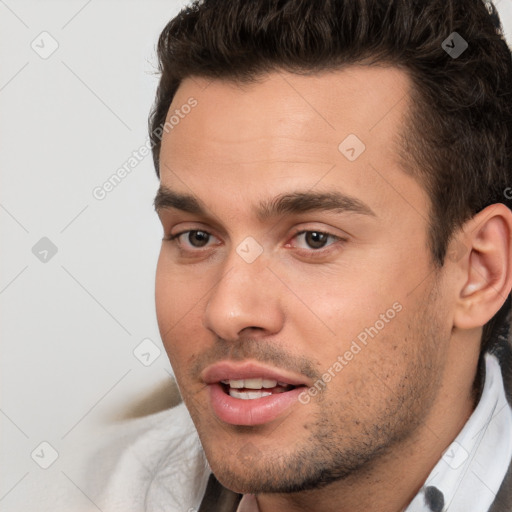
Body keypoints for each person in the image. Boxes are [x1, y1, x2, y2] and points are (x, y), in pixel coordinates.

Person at [101, 0, 512, 510]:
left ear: (479, 270)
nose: (228, 312)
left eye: (314, 238)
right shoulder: (99, 490)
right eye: (197, 237)